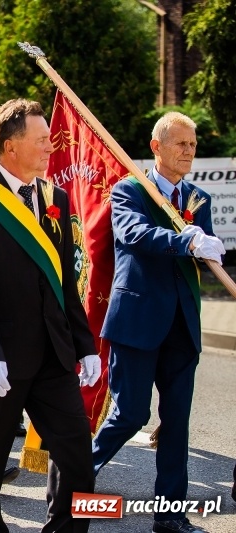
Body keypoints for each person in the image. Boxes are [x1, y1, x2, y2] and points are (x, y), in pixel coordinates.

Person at [0, 99, 100, 532]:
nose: (51, 147)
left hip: (53, 354)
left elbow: (65, 281)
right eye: (41, 140)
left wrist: (85, 345)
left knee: (77, 456)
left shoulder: (56, 198)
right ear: (10, 146)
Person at [92, 112, 223, 533]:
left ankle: (170, 516)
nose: (188, 151)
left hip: (183, 324)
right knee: (130, 415)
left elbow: (201, 252)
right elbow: (134, 234)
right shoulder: (130, 189)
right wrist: (186, 240)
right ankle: (76, 476)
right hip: (138, 319)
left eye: (192, 144)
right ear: (156, 147)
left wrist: (207, 246)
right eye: (180, 143)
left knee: (177, 424)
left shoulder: (198, 198)